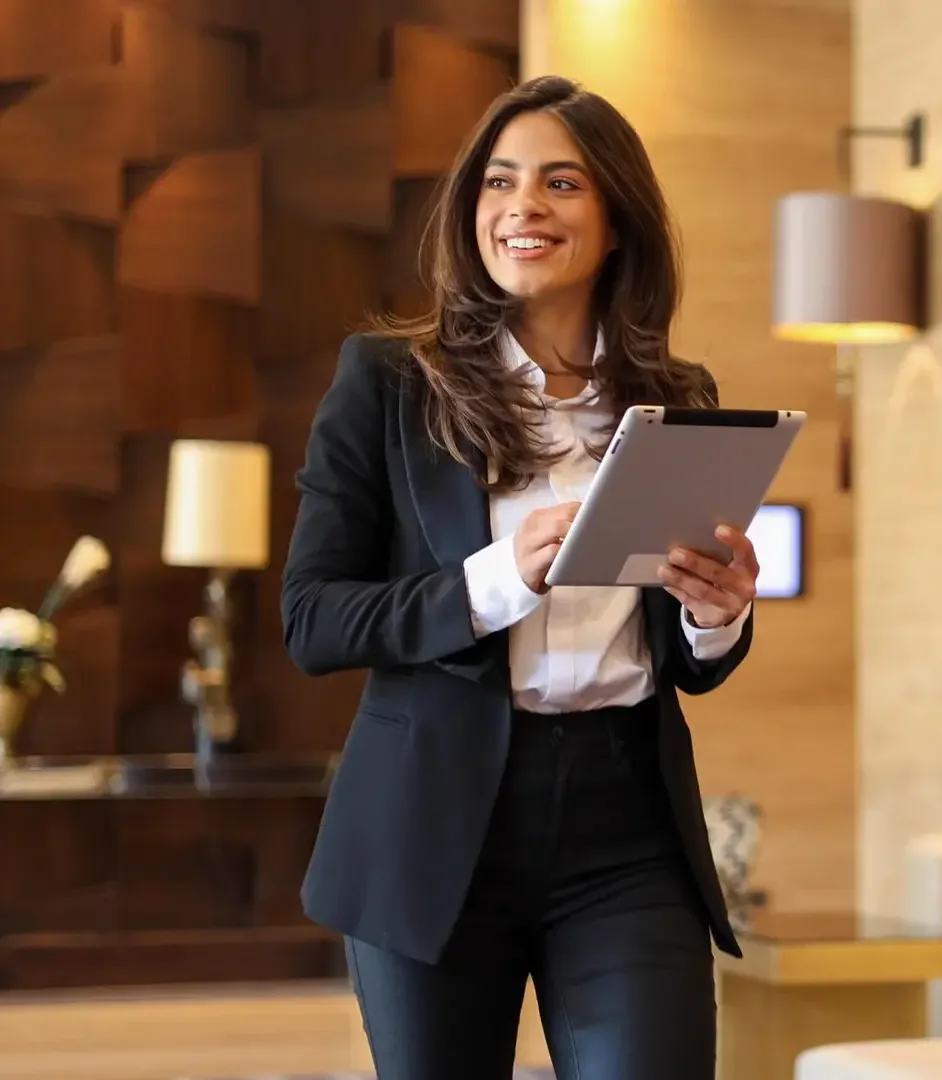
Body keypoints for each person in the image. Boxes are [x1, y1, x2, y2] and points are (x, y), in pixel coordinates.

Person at [280, 75, 757, 1080]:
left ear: (617, 218)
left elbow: (679, 654)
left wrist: (716, 617)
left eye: (559, 183)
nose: (521, 206)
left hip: (626, 827)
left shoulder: (676, 400)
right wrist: (498, 578)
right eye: (498, 183)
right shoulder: (387, 384)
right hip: (432, 829)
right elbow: (314, 619)